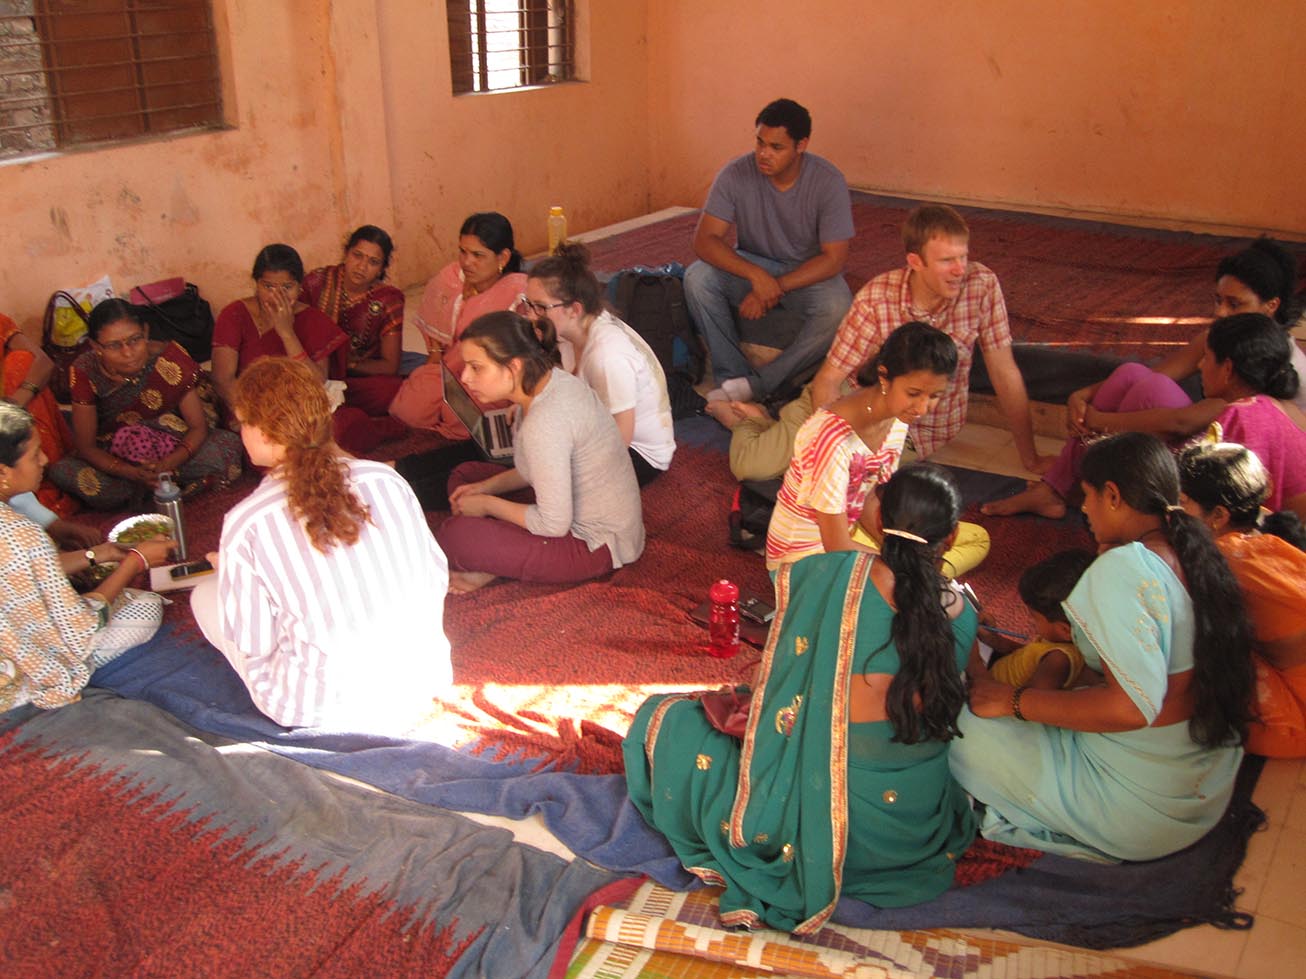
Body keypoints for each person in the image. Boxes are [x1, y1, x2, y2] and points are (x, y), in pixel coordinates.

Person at [624, 464, 979, 933]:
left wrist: (760, 711)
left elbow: (784, 690)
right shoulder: (965, 609)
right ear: (951, 537)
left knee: (668, 718)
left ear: (876, 520)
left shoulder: (830, 578)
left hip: (828, 818)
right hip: (917, 822)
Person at [951, 432, 1253, 862]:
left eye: (1087, 497)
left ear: (1113, 495)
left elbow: (1131, 709)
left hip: (1142, 813)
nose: (1085, 510)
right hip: (1199, 789)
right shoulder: (1192, 550)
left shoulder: (1122, 570)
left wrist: (1013, 701)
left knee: (964, 732)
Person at [190, 357, 454, 735]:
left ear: (263, 431)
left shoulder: (247, 523)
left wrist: (232, 575)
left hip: (318, 706)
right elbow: (434, 577)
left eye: (243, 422)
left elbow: (255, 640)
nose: (241, 431)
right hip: (420, 678)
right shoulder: (388, 481)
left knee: (205, 593)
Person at [986, 237, 1305, 519]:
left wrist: (1098, 420)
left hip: (1227, 472)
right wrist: (1083, 394)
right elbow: (1153, 376)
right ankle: (1059, 489)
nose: (1221, 312)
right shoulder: (1224, 340)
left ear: (1271, 306)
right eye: (1218, 300)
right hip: (1209, 443)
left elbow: (1181, 422)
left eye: (1235, 304)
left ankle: (1106, 499)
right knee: (1132, 375)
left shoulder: (1262, 371)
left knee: (1146, 393)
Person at [804, 204, 1052, 476]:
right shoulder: (877, 298)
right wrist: (832, 441)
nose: (960, 270)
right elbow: (828, 381)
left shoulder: (982, 285)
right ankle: (760, 415)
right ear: (915, 262)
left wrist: (1031, 458)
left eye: (963, 257)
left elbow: (1004, 372)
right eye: (947, 261)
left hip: (920, 430)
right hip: (858, 408)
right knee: (776, 459)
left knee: (848, 471)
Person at [430, 311, 643, 593]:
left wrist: (487, 504)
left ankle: (495, 564)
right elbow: (533, 471)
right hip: (569, 511)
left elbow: (553, 524)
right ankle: (502, 555)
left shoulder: (545, 422)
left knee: (454, 537)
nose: (466, 377)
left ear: (514, 367)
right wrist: (483, 488)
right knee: (466, 475)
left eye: (476, 367)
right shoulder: (547, 383)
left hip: (594, 545)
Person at [765, 321, 990, 578]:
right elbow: (835, 545)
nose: (922, 408)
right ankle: (928, 580)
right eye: (914, 393)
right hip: (805, 560)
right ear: (884, 377)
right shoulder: (830, 439)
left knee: (974, 538)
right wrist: (904, 565)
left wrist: (898, 550)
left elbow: (867, 498)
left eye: (934, 396)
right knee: (905, 574)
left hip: (845, 534)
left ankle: (926, 577)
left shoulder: (896, 416)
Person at [1, 402, 173, 713]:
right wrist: (135, 561)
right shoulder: (20, 534)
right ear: (3, 472)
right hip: (17, 673)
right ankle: (61, 675)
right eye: (34, 454)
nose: (44, 460)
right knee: (145, 608)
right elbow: (80, 627)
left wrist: (101, 554)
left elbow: (25, 572)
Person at [684, 98, 854, 404]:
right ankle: (731, 378)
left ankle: (762, 383)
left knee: (839, 305)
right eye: (760, 143)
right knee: (698, 278)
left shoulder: (828, 181)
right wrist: (756, 276)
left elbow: (834, 259)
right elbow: (704, 240)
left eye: (777, 147)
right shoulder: (735, 174)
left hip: (804, 275)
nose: (764, 154)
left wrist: (773, 287)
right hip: (754, 266)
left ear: (801, 145)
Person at [47, 299, 243, 510]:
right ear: (95, 347)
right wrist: (132, 473)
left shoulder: (170, 358)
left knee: (228, 447)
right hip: (117, 456)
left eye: (134, 340)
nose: (128, 353)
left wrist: (167, 465)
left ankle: (147, 492)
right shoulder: (85, 369)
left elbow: (198, 427)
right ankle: (164, 488)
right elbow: (86, 446)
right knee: (62, 471)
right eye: (114, 345)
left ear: (146, 333)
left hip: (172, 445)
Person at [1178, 442, 1306, 758]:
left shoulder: (1227, 559)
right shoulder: (1264, 535)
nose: (1174, 514)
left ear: (1218, 516)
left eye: (1182, 503)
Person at [517, 242, 674, 485]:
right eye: (528, 303)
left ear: (574, 309)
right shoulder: (571, 329)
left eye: (539, 307)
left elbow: (620, 439)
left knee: (545, 468)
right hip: (596, 424)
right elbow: (566, 378)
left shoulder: (607, 356)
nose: (530, 315)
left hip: (638, 454)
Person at [389, 212, 528, 434]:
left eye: (478, 255)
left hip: (493, 377)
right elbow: (436, 351)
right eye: (463, 252)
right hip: (451, 370)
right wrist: (434, 376)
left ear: (502, 258)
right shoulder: (451, 279)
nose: (467, 262)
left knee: (461, 417)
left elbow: (524, 360)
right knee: (410, 409)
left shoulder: (517, 292)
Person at [211, 243, 348, 420]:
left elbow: (317, 383)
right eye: (268, 287)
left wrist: (287, 333)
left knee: (346, 423)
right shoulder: (235, 314)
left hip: (298, 413)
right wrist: (256, 418)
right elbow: (223, 381)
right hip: (248, 411)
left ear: (300, 286)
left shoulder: (314, 320)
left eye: (287, 287)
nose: (277, 296)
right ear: (256, 283)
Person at [300, 224, 407, 414]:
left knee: (390, 390)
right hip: (312, 370)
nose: (362, 267)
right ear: (346, 253)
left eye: (373, 262)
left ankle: (327, 407)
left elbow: (390, 365)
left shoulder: (388, 300)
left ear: (382, 268)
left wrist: (347, 364)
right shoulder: (317, 283)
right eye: (357, 255)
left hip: (355, 376)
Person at [982, 549, 1095, 690]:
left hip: (988, 687)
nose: (1031, 622)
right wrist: (995, 640)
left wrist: (976, 669)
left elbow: (1026, 699)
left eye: (1035, 618)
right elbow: (1031, 655)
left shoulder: (1059, 660)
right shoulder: (1057, 642)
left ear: (1065, 630)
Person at [1, 311, 75, 514]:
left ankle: (42, 474)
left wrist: (13, 407)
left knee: (22, 362)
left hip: (11, 421)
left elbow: (43, 362)